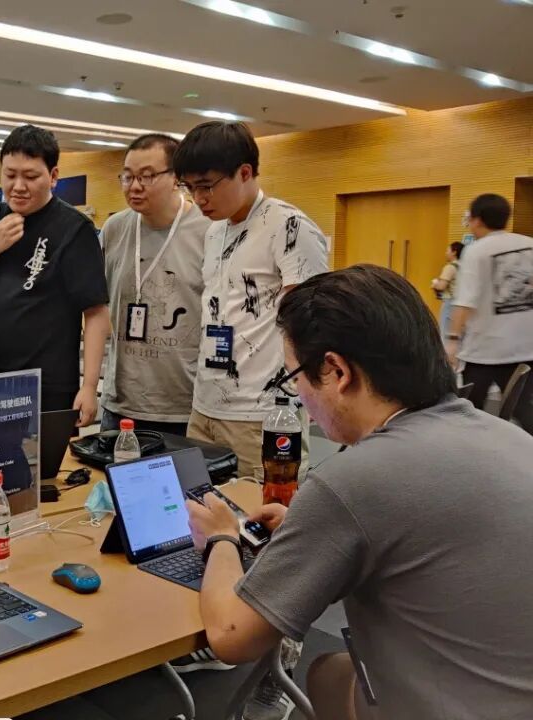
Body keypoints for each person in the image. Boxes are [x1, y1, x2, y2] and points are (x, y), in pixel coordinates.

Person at [187, 264, 533, 720]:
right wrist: (314, 529)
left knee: (328, 675)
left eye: (294, 378)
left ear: (336, 372)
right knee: (332, 671)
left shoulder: (353, 480)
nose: (301, 397)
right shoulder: (510, 438)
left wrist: (221, 539)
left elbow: (232, 637)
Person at [173, 121, 329, 479]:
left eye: (206, 186)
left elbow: (311, 325)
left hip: (263, 414)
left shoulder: (289, 226)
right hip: (205, 405)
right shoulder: (215, 231)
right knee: (198, 506)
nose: (198, 198)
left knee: (263, 509)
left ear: (245, 172)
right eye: (190, 187)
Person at [0, 124, 110, 424]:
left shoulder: (74, 229)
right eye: (10, 175)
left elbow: (96, 312)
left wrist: (89, 386)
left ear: (53, 176)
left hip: (47, 384)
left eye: (31, 176)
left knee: (44, 456)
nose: (18, 186)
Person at [100, 133, 210, 436]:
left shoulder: (208, 230)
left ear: (176, 178)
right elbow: (96, 306)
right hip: (121, 406)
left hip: (185, 406)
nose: (134, 186)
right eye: (127, 176)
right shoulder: (114, 228)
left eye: (147, 176)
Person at [447, 193, 533, 433]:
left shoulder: (477, 251)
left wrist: (452, 340)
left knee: (471, 411)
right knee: (523, 409)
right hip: (526, 349)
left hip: (485, 351)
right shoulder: (530, 245)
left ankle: (475, 451)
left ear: (477, 220)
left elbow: (465, 301)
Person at [431, 241, 463, 337]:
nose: (446, 253)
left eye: (447, 250)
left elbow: (441, 286)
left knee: (445, 332)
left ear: (454, 252)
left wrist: (435, 284)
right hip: (461, 304)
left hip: (450, 303)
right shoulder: (464, 267)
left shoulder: (450, 267)